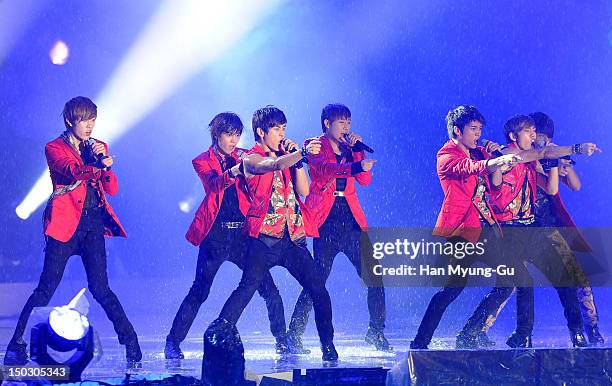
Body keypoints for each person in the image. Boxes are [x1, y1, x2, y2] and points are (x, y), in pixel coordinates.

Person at [4, 96, 141, 366]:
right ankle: (16, 344)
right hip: (64, 224)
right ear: (70, 121)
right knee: (46, 288)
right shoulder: (54, 147)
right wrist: (96, 165)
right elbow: (72, 171)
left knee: (101, 289)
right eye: (84, 120)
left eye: (93, 119)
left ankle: (131, 342)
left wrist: (104, 164)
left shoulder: (98, 147)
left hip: (91, 226)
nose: (89, 125)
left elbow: (111, 189)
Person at [456, 114, 600, 348]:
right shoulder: (504, 155)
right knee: (516, 283)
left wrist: (555, 161)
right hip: (507, 232)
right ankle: (505, 333)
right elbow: (510, 169)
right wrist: (575, 148)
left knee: (563, 277)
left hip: (533, 228)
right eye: (529, 132)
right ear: (514, 136)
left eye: (535, 133)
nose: (534, 138)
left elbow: (553, 188)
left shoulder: (531, 161)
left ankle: (579, 332)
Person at [211, 105, 339, 361]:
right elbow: (273, 165)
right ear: (261, 131)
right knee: (246, 288)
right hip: (263, 240)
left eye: (284, 129)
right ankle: (217, 334)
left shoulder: (288, 156)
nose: (282, 134)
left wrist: (299, 159)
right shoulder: (250, 158)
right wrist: (298, 152)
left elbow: (303, 190)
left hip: (292, 239)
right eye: (277, 129)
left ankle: (328, 347)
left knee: (319, 289)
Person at [164, 112, 287, 359]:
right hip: (215, 236)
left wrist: (280, 154)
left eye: (237, 135)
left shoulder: (245, 156)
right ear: (216, 135)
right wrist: (236, 170)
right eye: (229, 134)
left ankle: (283, 341)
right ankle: (173, 342)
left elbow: (265, 168)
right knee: (200, 291)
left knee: (267, 287)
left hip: (243, 234)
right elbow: (214, 185)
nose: (234, 140)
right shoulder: (201, 160)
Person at [410, 105, 528, 350]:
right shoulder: (446, 155)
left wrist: (497, 163)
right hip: (462, 232)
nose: (477, 134)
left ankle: (469, 333)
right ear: (457, 130)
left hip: (485, 228)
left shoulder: (480, 152)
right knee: (452, 289)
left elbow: (494, 187)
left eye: (479, 129)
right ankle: (420, 341)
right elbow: (468, 168)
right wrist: (493, 161)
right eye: (473, 129)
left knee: (513, 278)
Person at [286, 103, 391, 353]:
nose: (346, 127)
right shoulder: (314, 145)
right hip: (326, 220)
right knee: (317, 282)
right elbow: (323, 171)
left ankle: (376, 331)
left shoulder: (350, 148)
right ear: (327, 123)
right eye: (341, 122)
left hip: (351, 220)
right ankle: (293, 334)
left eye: (348, 122)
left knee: (374, 277)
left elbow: (365, 180)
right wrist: (353, 166)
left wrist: (357, 153)